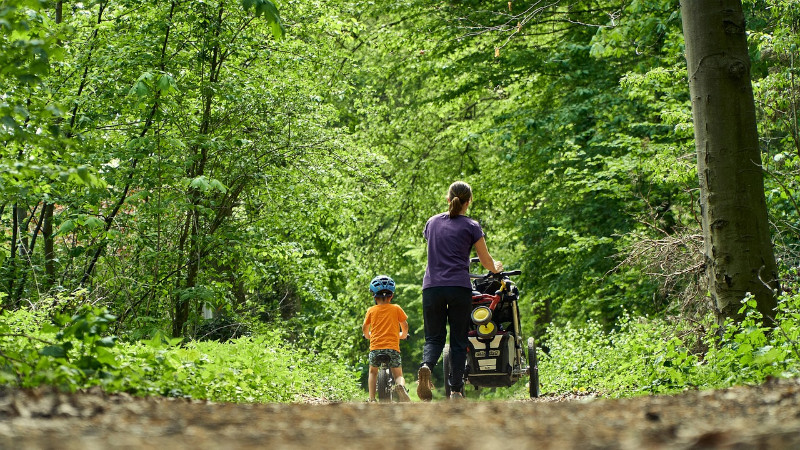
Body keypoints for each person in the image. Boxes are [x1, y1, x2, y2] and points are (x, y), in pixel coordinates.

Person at [417, 181, 502, 401]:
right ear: (469, 201)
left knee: (434, 338)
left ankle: (426, 366)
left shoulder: (432, 222)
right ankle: (455, 390)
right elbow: (485, 261)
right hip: (459, 288)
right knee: (458, 340)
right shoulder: (472, 226)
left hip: (432, 288)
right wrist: (496, 268)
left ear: (448, 199)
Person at [362, 275, 411, 402]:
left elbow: (365, 327)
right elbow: (405, 325)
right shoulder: (396, 308)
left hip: (375, 348)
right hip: (393, 348)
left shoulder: (371, 310)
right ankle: (400, 386)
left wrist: (368, 336)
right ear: (392, 296)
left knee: (373, 372)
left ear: (374, 296)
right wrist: (403, 335)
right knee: (398, 374)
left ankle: (372, 399)